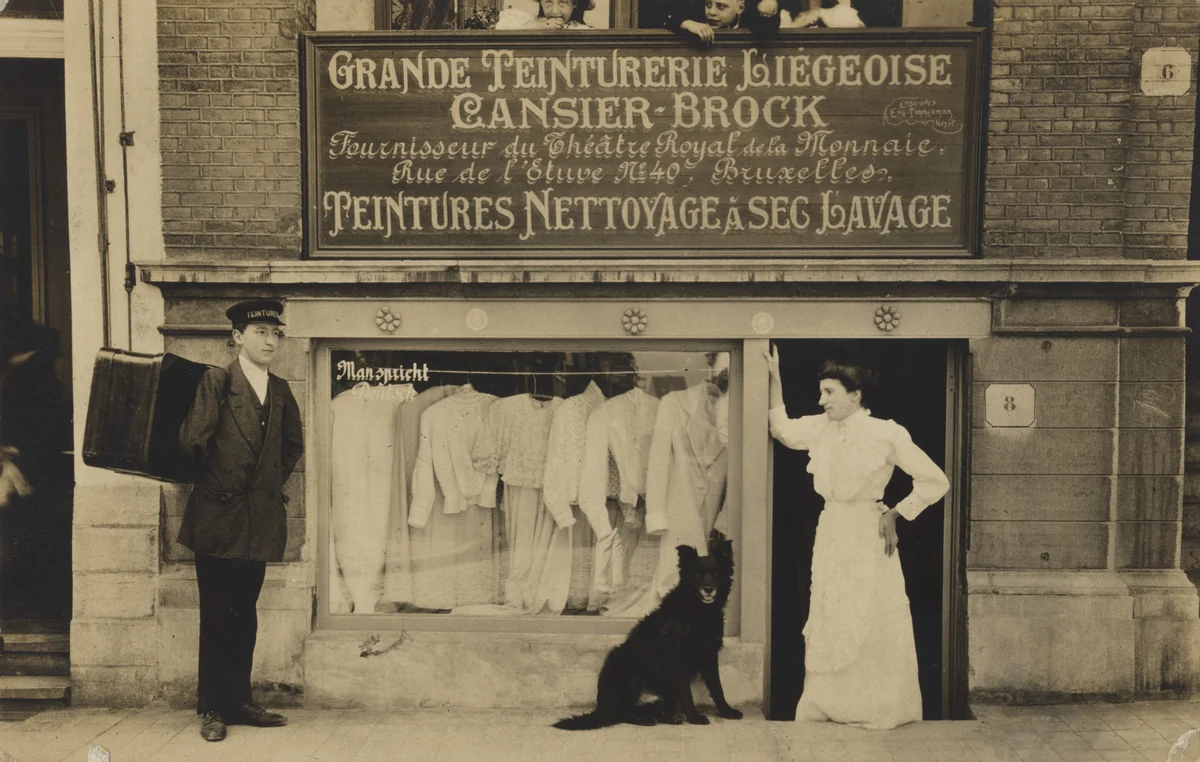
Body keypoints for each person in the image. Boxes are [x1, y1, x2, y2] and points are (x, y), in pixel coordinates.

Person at [765, 345, 948, 730]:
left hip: (867, 533)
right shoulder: (820, 427)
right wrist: (774, 378)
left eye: (830, 392)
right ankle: (828, 704)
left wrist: (897, 512)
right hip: (831, 531)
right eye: (821, 392)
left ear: (856, 395)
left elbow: (935, 480)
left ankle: (873, 705)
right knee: (832, 611)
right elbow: (782, 430)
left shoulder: (886, 433)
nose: (822, 400)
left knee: (868, 613)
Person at [177, 299, 304, 742]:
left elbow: (292, 447)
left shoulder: (281, 390)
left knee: (244, 614)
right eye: (260, 333)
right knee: (217, 615)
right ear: (237, 337)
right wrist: (224, 484)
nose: (270, 341)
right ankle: (212, 707)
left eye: (275, 334)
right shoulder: (217, 382)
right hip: (218, 517)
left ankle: (239, 700)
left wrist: (265, 486)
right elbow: (192, 443)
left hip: (259, 519)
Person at [658, 0, 780, 45]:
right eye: (708, 5)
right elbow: (662, 18)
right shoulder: (696, 17)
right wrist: (684, 23)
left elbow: (766, 29)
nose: (712, 12)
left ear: (740, 8)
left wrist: (769, 13)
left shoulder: (750, 20)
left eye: (721, 7)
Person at [493, 0, 593, 30]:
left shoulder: (584, 30)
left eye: (562, 3)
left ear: (575, 4)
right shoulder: (530, 22)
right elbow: (502, 25)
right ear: (541, 3)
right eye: (548, 2)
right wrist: (539, 26)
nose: (554, 11)